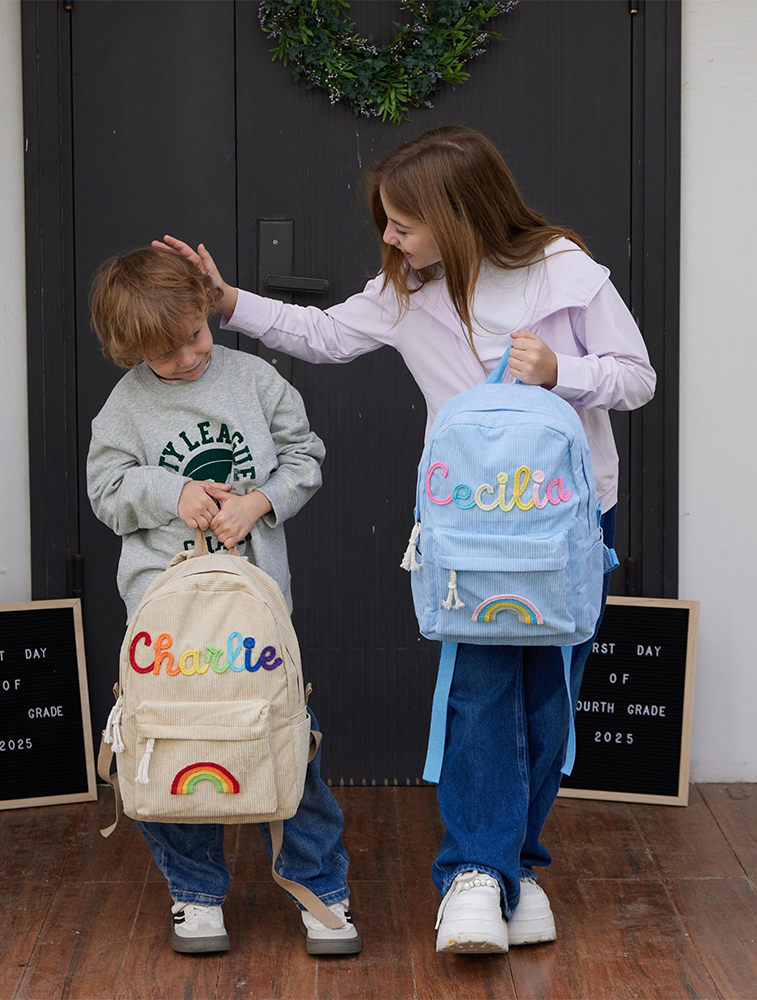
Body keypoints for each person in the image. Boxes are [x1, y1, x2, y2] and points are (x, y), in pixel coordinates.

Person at [154, 124, 656, 954]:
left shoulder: (566, 272)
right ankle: (472, 877)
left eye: (403, 222)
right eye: (386, 221)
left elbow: (635, 376)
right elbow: (320, 334)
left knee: (548, 699)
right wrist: (226, 300)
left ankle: (517, 869)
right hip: (469, 531)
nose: (389, 237)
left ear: (459, 214)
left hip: (569, 522)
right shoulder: (407, 292)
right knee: (481, 691)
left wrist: (562, 374)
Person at [85, 247, 361, 956]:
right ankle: (196, 892)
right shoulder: (127, 408)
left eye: (197, 335)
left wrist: (261, 501)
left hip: (254, 617)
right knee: (172, 743)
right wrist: (168, 493)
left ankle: (321, 887)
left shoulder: (254, 380)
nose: (188, 356)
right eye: (166, 351)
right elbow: (107, 490)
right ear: (129, 353)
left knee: (290, 744)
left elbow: (306, 457)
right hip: (168, 621)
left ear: (207, 313)